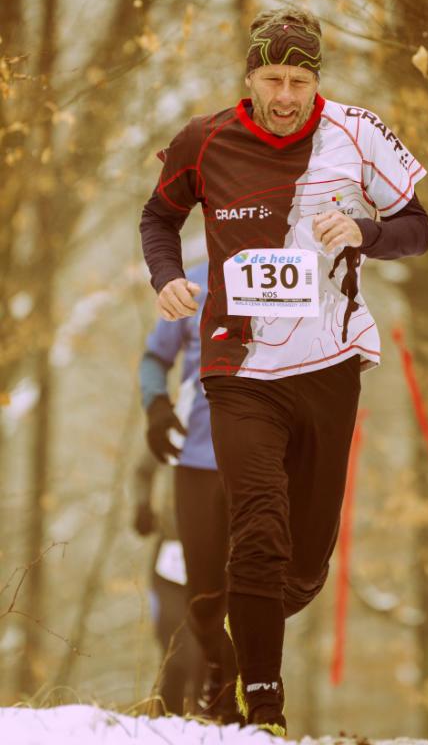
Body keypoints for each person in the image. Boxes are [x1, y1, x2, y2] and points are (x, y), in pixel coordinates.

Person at [139, 7, 428, 735]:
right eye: (272, 78)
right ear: (250, 77)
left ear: (316, 80)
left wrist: (364, 231)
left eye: (299, 81)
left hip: (329, 365)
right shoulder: (204, 140)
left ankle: (235, 615)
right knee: (259, 529)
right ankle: (262, 706)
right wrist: (167, 277)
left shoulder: (358, 133)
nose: (285, 95)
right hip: (237, 367)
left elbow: (418, 228)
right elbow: (158, 217)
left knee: (302, 568)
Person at [138, 260, 241, 724]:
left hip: (261, 469)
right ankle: (174, 720)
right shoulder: (192, 285)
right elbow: (153, 358)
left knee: (247, 607)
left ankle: (238, 713)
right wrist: (156, 404)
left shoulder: (293, 274)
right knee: (188, 630)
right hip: (191, 487)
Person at [131, 448, 204, 716]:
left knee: (205, 650)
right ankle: (167, 720)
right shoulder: (177, 427)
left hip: (216, 553)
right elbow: (143, 470)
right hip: (170, 551)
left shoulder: (237, 428)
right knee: (173, 646)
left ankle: (204, 720)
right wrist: (143, 507)